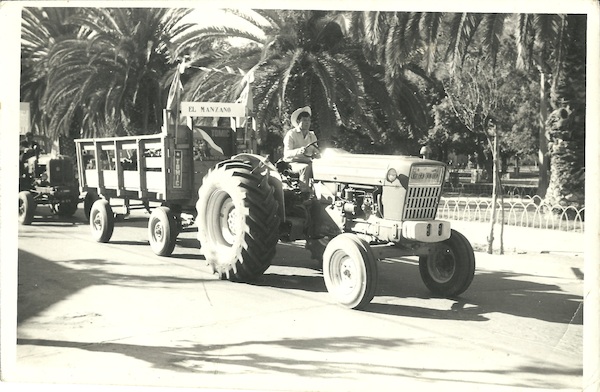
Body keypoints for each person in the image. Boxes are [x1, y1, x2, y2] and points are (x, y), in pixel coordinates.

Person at [283, 106, 319, 193]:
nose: (307, 123)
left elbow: (316, 150)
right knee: (305, 167)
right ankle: (304, 193)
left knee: (320, 166)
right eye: (304, 120)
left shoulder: (312, 135)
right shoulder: (291, 134)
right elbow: (287, 153)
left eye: (309, 120)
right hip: (292, 163)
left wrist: (317, 154)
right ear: (298, 121)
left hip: (309, 161)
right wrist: (299, 151)